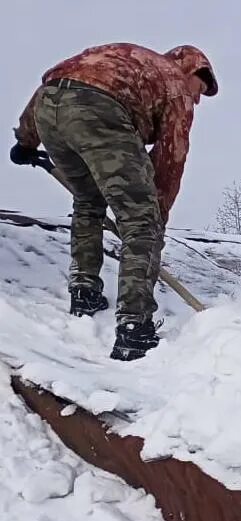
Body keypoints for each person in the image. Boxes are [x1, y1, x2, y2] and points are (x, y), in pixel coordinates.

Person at [10, 42, 218, 360]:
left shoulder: (125, 60)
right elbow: (171, 158)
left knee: (88, 199)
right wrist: (155, 213)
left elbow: (54, 83)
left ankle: (84, 291)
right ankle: (135, 327)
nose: (198, 99)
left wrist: (26, 140)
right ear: (189, 69)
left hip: (49, 109)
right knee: (140, 217)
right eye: (200, 88)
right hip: (99, 109)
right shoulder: (174, 84)